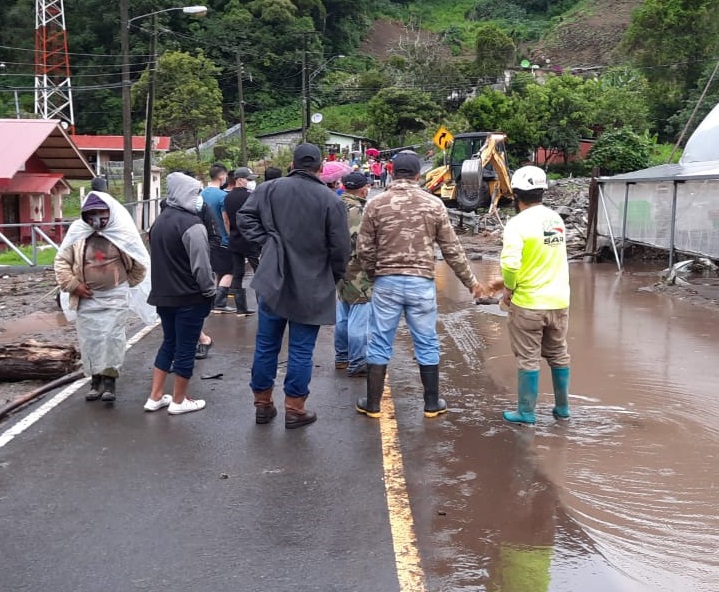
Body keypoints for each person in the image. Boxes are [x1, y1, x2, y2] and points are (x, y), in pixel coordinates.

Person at [355, 152, 486, 419]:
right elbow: (452, 250)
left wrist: (374, 274)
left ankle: (372, 404)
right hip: (421, 283)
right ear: (418, 175)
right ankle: (431, 403)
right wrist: (471, 283)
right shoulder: (434, 204)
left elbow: (364, 249)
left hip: (387, 281)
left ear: (391, 173)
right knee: (426, 341)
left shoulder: (375, 204)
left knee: (380, 340)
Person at [238, 143, 350, 429]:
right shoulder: (331, 200)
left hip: (273, 278)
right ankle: (295, 408)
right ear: (321, 167)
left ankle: (262, 404)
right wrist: (334, 276)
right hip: (312, 283)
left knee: (266, 344)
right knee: (301, 349)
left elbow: (245, 217)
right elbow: (340, 248)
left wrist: (267, 243)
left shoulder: (268, 189)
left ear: (292, 163)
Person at [54, 191, 153, 403]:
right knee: (91, 340)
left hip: (115, 297)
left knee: (112, 338)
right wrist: (74, 285)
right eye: (91, 213)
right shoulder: (78, 233)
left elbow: (139, 261)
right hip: (87, 298)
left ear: (110, 212)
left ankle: (110, 381)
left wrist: (125, 284)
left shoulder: (122, 232)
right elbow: (61, 261)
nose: (97, 217)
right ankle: (95, 380)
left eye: (101, 212)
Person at [497, 165, 571, 424]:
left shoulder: (517, 224)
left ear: (516, 194)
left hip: (529, 303)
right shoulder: (555, 219)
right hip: (559, 301)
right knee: (559, 354)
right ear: (543, 191)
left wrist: (508, 289)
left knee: (528, 358)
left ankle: (526, 412)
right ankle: (562, 409)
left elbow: (510, 263)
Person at [144, 172, 215, 415]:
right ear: (186, 194)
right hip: (189, 297)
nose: (198, 199)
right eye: (196, 193)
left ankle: (155, 396)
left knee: (169, 343)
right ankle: (179, 400)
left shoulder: (159, 222)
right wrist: (209, 291)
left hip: (163, 296)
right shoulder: (193, 225)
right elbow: (202, 267)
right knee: (186, 348)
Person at [334, 171, 373, 377]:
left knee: (343, 314)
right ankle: (357, 362)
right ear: (363, 188)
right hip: (356, 271)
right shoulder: (357, 210)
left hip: (338, 269)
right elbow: (360, 245)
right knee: (359, 318)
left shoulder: (335, 204)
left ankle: (341, 356)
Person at [224, 167, 260, 315]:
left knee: (237, 273)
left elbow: (226, 219)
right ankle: (263, 305)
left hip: (235, 239)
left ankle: (241, 309)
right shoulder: (251, 196)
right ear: (240, 180)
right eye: (249, 179)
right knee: (260, 271)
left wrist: (231, 233)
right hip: (250, 239)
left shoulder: (227, 197)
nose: (251, 182)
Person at [201, 163, 234, 313]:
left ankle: (211, 301)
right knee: (229, 271)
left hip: (206, 238)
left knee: (215, 270)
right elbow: (226, 219)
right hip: (222, 239)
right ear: (222, 176)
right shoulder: (223, 196)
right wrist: (229, 235)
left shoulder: (201, 194)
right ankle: (220, 303)